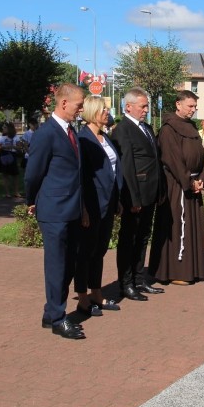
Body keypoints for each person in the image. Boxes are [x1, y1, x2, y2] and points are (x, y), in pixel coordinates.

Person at [25, 83, 86, 340]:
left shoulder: (71, 131)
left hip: (72, 208)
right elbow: (33, 173)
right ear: (63, 103)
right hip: (53, 210)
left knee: (69, 265)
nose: (81, 110)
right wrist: (32, 200)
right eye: (78, 105)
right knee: (56, 266)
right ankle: (59, 318)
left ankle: (51, 312)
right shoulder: (46, 133)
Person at [111, 87, 166, 302]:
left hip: (150, 193)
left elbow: (153, 160)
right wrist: (132, 198)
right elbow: (127, 167)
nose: (146, 110)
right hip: (135, 196)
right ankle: (125, 284)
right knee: (129, 240)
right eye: (143, 106)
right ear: (129, 107)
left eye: (147, 106)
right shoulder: (123, 130)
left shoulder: (147, 128)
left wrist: (160, 189)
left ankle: (139, 278)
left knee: (143, 238)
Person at [149, 90, 204, 286]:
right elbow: (172, 159)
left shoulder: (191, 127)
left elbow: (201, 155)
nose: (193, 110)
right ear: (178, 105)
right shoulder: (169, 129)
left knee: (192, 227)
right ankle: (175, 270)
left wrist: (200, 179)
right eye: (190, 106)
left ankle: (191, 269)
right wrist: (189, 182)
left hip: (192, 184)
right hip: (176, 185)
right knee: (176, 227)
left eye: (195, 106)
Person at [74, 95, 123, 318]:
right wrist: (82, 208)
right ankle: (82, 297)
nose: (107, 113)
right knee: (86, 251)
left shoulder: (105, 137)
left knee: (100, 250)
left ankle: (97, 292)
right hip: (92, 205)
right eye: (104, 109)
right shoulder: (83, 140)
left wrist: (118, 200)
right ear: (93, 112)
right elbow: (81, 177)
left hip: (108, 203)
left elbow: (114, 171)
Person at [0, 123, 23, 198]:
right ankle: (7, 193)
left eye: (5, 127)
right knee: (5, 175)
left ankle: (16, 192)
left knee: (15, 175)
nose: (3, 129)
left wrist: (12, 146)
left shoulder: (16, 137)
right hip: (4, 155)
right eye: (3, 127)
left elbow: (19, 148)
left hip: (12, 156)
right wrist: (3, 147)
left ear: (9, 129)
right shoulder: (1, 137)